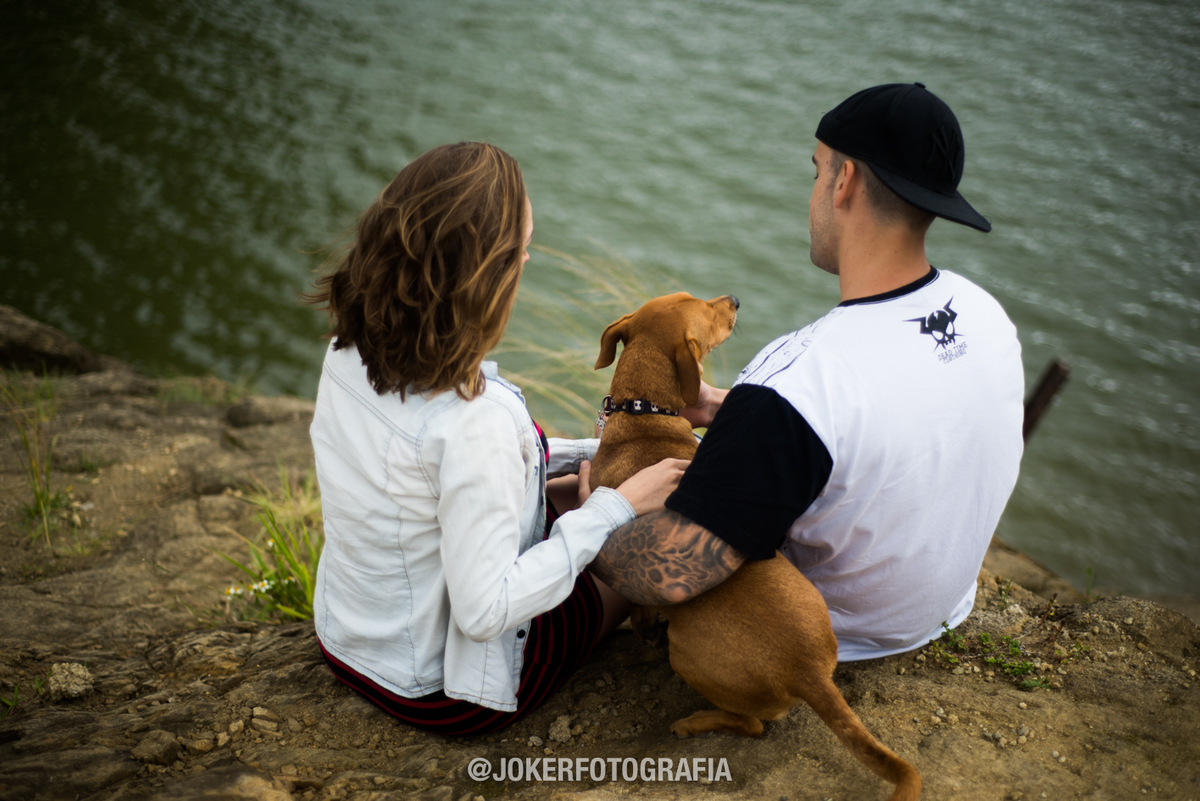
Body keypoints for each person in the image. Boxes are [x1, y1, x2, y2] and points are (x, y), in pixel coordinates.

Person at [591, 83, 1025, 661]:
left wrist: (592, 511)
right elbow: (880, 414)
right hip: (939, 613)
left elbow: (663, 575)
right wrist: (728, 410)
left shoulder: (798, 377)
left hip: (822, 639)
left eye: (817, 170)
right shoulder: (985, 314)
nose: (815, 188)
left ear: (843, 181)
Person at [306, 142, 686, 734]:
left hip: (349, 642)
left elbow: (458, 476)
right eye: (522, 250)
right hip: (441, 689)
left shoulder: (348, 350)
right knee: (650, 535)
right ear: (486, 273)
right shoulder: (469, 421)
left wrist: (605, 456)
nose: (528, 262)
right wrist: (614, 509)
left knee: (575, 498)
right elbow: (485, 612)